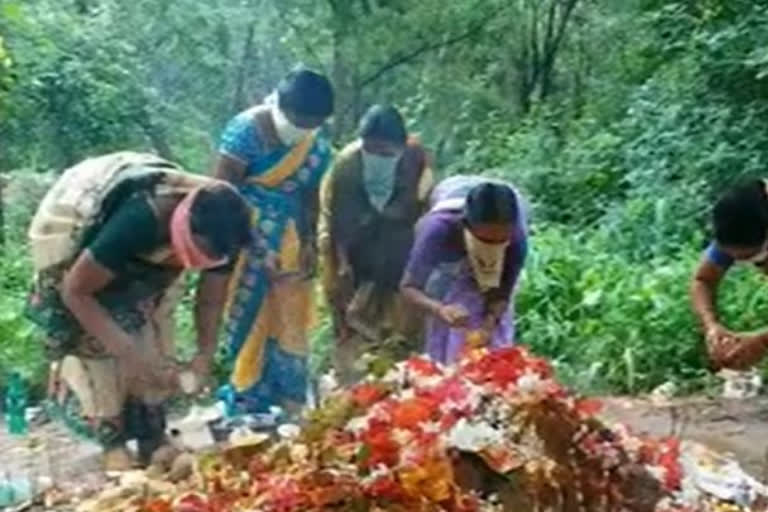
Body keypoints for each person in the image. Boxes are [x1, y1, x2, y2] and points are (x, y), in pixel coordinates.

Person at [25, 151, 252, 469]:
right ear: (180, 225)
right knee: (99, 345)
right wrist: (128, 351)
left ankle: (151, 436)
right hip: (80, 237)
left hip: (139, 252)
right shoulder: (142, 218)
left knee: (155, 337)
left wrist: (204, 355)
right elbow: (76, 291)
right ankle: (112, 440)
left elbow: (211, 300)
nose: (178, 264)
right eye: (181, 254)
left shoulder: (229, 234)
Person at [213, 68, 333, 414]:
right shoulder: (244, 132)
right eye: (299, 120)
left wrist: (310, 241)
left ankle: (289, 396)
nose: (304, 129)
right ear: (280, 106)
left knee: (289, 318)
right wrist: (252, 245)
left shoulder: (315, 144)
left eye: (313, 123)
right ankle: (249, 397)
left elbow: (310, 195)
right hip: (244, 235)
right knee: (250, 318)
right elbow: (222, 193)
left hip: (292, 240)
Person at [318, 104, 433, 382]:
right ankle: (353, 387)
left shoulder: (417, 160)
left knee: (403, 328)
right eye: (371, 150)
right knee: (352, 321)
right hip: (354, 250)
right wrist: (344, 262)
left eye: (386, 153)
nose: (378, 158)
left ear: (401, 146)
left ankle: (403, 384)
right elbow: (339, 222)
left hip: (400, 255)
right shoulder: (346, 166)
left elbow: (421, 209)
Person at [400, 175, 528, 365]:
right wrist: (440, 309)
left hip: (493, 286)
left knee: (496, 356)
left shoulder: (517, 237)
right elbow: (409, 287)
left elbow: (503, 293)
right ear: (466, 225)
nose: (492, 246)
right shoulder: (438, 230)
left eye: (500, 240)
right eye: (485, 240)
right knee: (447, 354)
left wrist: (488, 324)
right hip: (449, 274)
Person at [691, 179, 768, 370]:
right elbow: (703, 281)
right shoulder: (739, 221)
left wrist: (762, 341)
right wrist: (711, 325)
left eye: (754, 256)